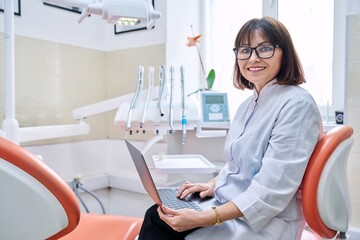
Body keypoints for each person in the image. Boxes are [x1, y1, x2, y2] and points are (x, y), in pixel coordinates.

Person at [138, 16, 323, 240]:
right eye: (245, 50)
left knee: (158, 223)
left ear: (285, 54)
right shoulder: (248, 105)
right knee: (159, 213)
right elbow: (241, 168)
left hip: (265, 224)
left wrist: (202, 217)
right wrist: (213, 184)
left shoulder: (297, 105)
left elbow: (269, 193)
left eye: (264, 49)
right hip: (232, 206)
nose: (253, 58)